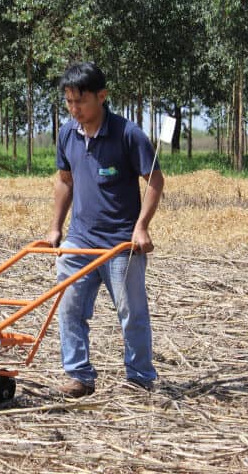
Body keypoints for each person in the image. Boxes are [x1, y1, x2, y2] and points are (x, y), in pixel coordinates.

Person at [46, 61, 164, 398]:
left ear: (102, 96)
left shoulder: (128, 134)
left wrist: (141, 228)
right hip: (80, 239)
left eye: (80, 101)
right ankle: (78, 376)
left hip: (120, 243)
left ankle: (140, 378)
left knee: (131, 312)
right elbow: (65, 181)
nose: (74, 109)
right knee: (69, 308)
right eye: (69, 102)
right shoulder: (68, 133)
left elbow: (154, 180)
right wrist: (55, 228)